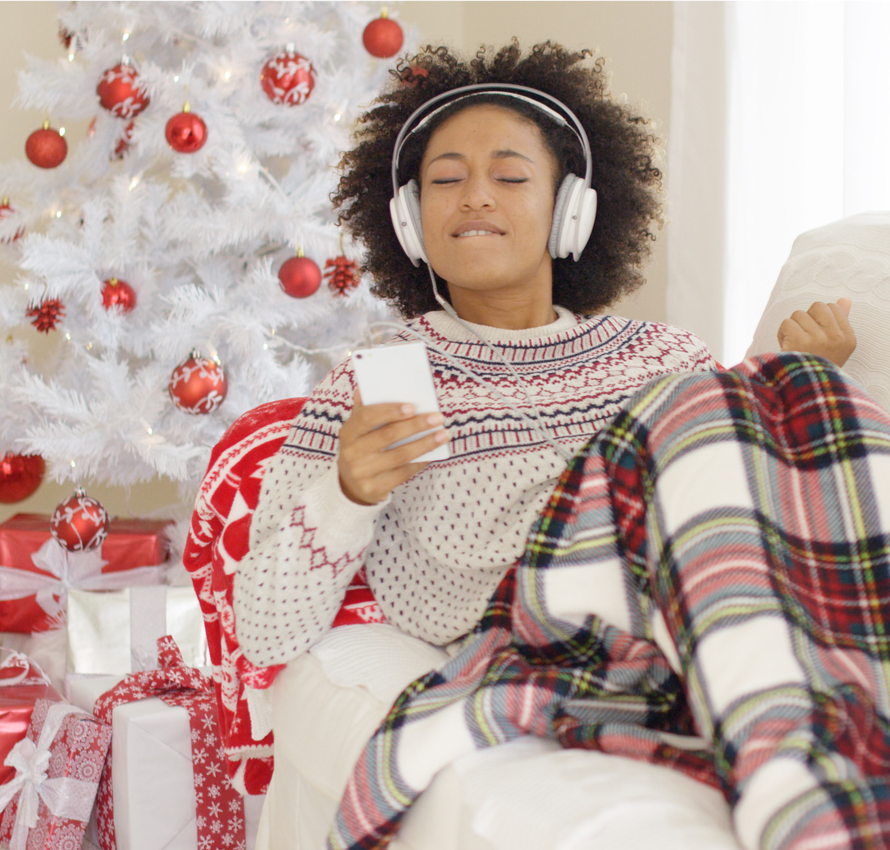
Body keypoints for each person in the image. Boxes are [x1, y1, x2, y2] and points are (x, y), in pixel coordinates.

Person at [232, 40, 855, 670]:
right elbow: (263, 633)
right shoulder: (374, 391)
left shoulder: (666, 358)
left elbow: (753, 506)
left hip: (708, 614)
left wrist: (804, 383)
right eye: (445, 180)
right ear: (409, 221)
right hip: (543, 654)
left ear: (570, 213)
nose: (475, 196)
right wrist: (346, 494)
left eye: (509, 177)